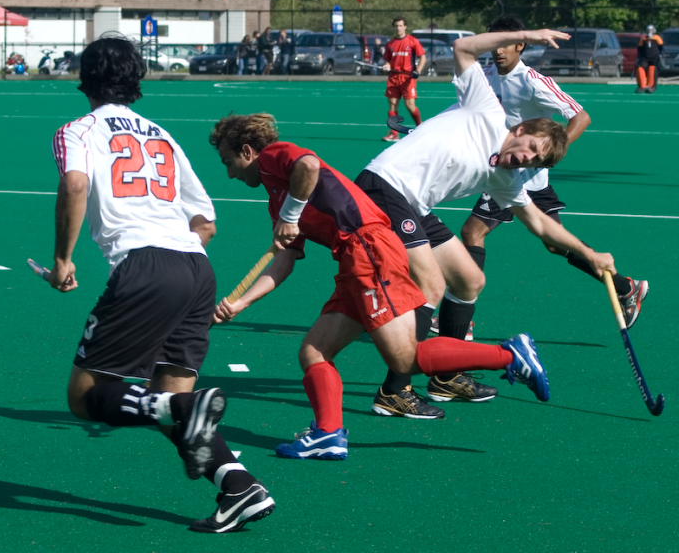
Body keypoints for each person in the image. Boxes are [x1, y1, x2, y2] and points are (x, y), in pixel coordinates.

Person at [209, 112, 553, 458]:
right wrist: (240, 304)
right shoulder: (276, 199)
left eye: (229, 162)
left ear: (249, 152)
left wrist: (291, 214)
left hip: (368, 247)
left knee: (405, 359)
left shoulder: (274, 157)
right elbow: (283, 261)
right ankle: (327, 434)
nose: (229, 173)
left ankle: (510, 355)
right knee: (314, 351)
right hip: (351, 259)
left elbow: (309, 165)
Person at [48, 36, 274, 533]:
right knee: (163, 397)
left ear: (83, 80)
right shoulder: (162, 136)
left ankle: (185, 408)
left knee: (85, 398)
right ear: (137, 81)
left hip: (146, 267)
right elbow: (207, 222)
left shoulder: (77, 131)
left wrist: (63, 259)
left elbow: (76, 185)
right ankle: (238, 484)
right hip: (196, 268)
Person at [355, 28, 617, 409]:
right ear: (521, 129)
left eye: (536, 161)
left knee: (469, 279)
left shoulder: (505, 176)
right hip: (384, 186)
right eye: (531, 148)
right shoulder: (486, 110)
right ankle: (395, 390)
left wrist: (590, 255)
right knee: (430, 283)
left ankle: (444, 378)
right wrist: (528, 34)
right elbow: (462, 47)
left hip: (415, 206)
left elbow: (541, 223)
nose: (527, 159)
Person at [459, 15, 648, 337]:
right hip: (506, 171)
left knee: (472, 233)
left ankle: (462, 319)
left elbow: (581, 116)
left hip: (518, 177)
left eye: (505, 43)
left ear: (521, 44)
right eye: (493, 42)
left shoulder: (533, 80)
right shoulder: (484, 74)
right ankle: (624, 286)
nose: (498, 50)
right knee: (554, 244)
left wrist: (547, 154)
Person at [381, 17, 426, 142]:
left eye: (400, 26)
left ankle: (420, 128)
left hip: (407, 78)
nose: (398, 28)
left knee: (410, 105)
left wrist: (418, 71)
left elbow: (422, 57)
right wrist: (387, 65)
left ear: (405, 27)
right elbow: (387, 60)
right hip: (393, 78)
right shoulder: (390, 43)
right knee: (392, 104)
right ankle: (394, 133)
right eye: (396, 26)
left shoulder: (412, 41)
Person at [635, 25, 663, 94]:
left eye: (650, 30)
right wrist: (638, 58)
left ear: (653, 31)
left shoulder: (657, 38)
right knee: (640, 68)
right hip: (645, 58)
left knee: (652, 70)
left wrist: (661, 56)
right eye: (648, 30)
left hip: (654, 58)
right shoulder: (643, 39)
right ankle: (642, 86)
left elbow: (661, 48)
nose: (649, 32)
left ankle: (651, 87)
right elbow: (640, 49)